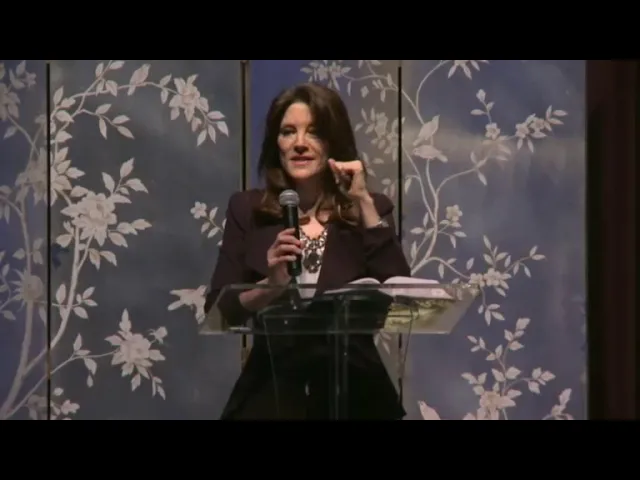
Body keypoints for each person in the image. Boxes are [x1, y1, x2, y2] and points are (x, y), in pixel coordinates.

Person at [204, 82, 411, 420]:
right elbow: (218, 311)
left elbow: (402, 294)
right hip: (271, 395)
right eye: (288, 132)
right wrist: (270, 286)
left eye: (314, 132)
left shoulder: (370, 209)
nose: (299, 143)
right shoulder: (247, 210)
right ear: (276, 143)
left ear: (334, 142)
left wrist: (363, 202)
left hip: (356, 394)